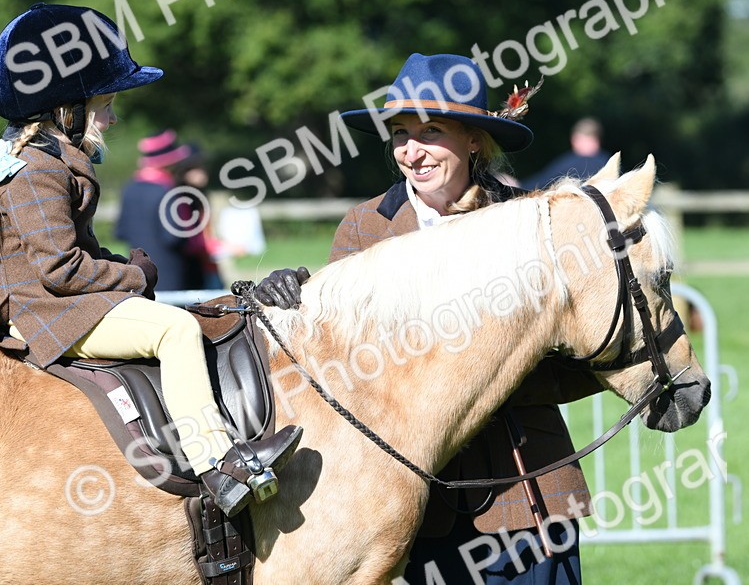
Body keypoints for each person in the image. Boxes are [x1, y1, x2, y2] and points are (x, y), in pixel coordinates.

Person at [254, 53, 604, 584]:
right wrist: (288, 301)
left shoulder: (528, 219)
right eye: (400, 134)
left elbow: (590, 352)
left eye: (431, 131)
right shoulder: (364, 228)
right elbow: (339, 369)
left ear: (473, 141)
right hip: (416, 502)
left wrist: (494, 375)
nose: (411, 152)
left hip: (525, 488)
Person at [0, 3, 300, 517]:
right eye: (105, 103)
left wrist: (117, 262)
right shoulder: (37, 171)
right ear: (67, 108)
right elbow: (59, 270)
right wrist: (135, 274)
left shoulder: (49, 161)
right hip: (52, 316)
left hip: (59, 305)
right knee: (176, 330)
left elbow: (75, 250)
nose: (112, 116)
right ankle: (220, 466)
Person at [115, 132, 223, 292]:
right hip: (173, 279)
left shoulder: (128, 189)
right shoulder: (168, 192)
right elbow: (174, 238)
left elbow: (120, 232)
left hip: (139, 275)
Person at [521, 117, 611, 191]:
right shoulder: (610, 163)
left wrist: (518, 185)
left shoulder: (572, 162)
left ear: (576, 138)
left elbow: (543, 181)